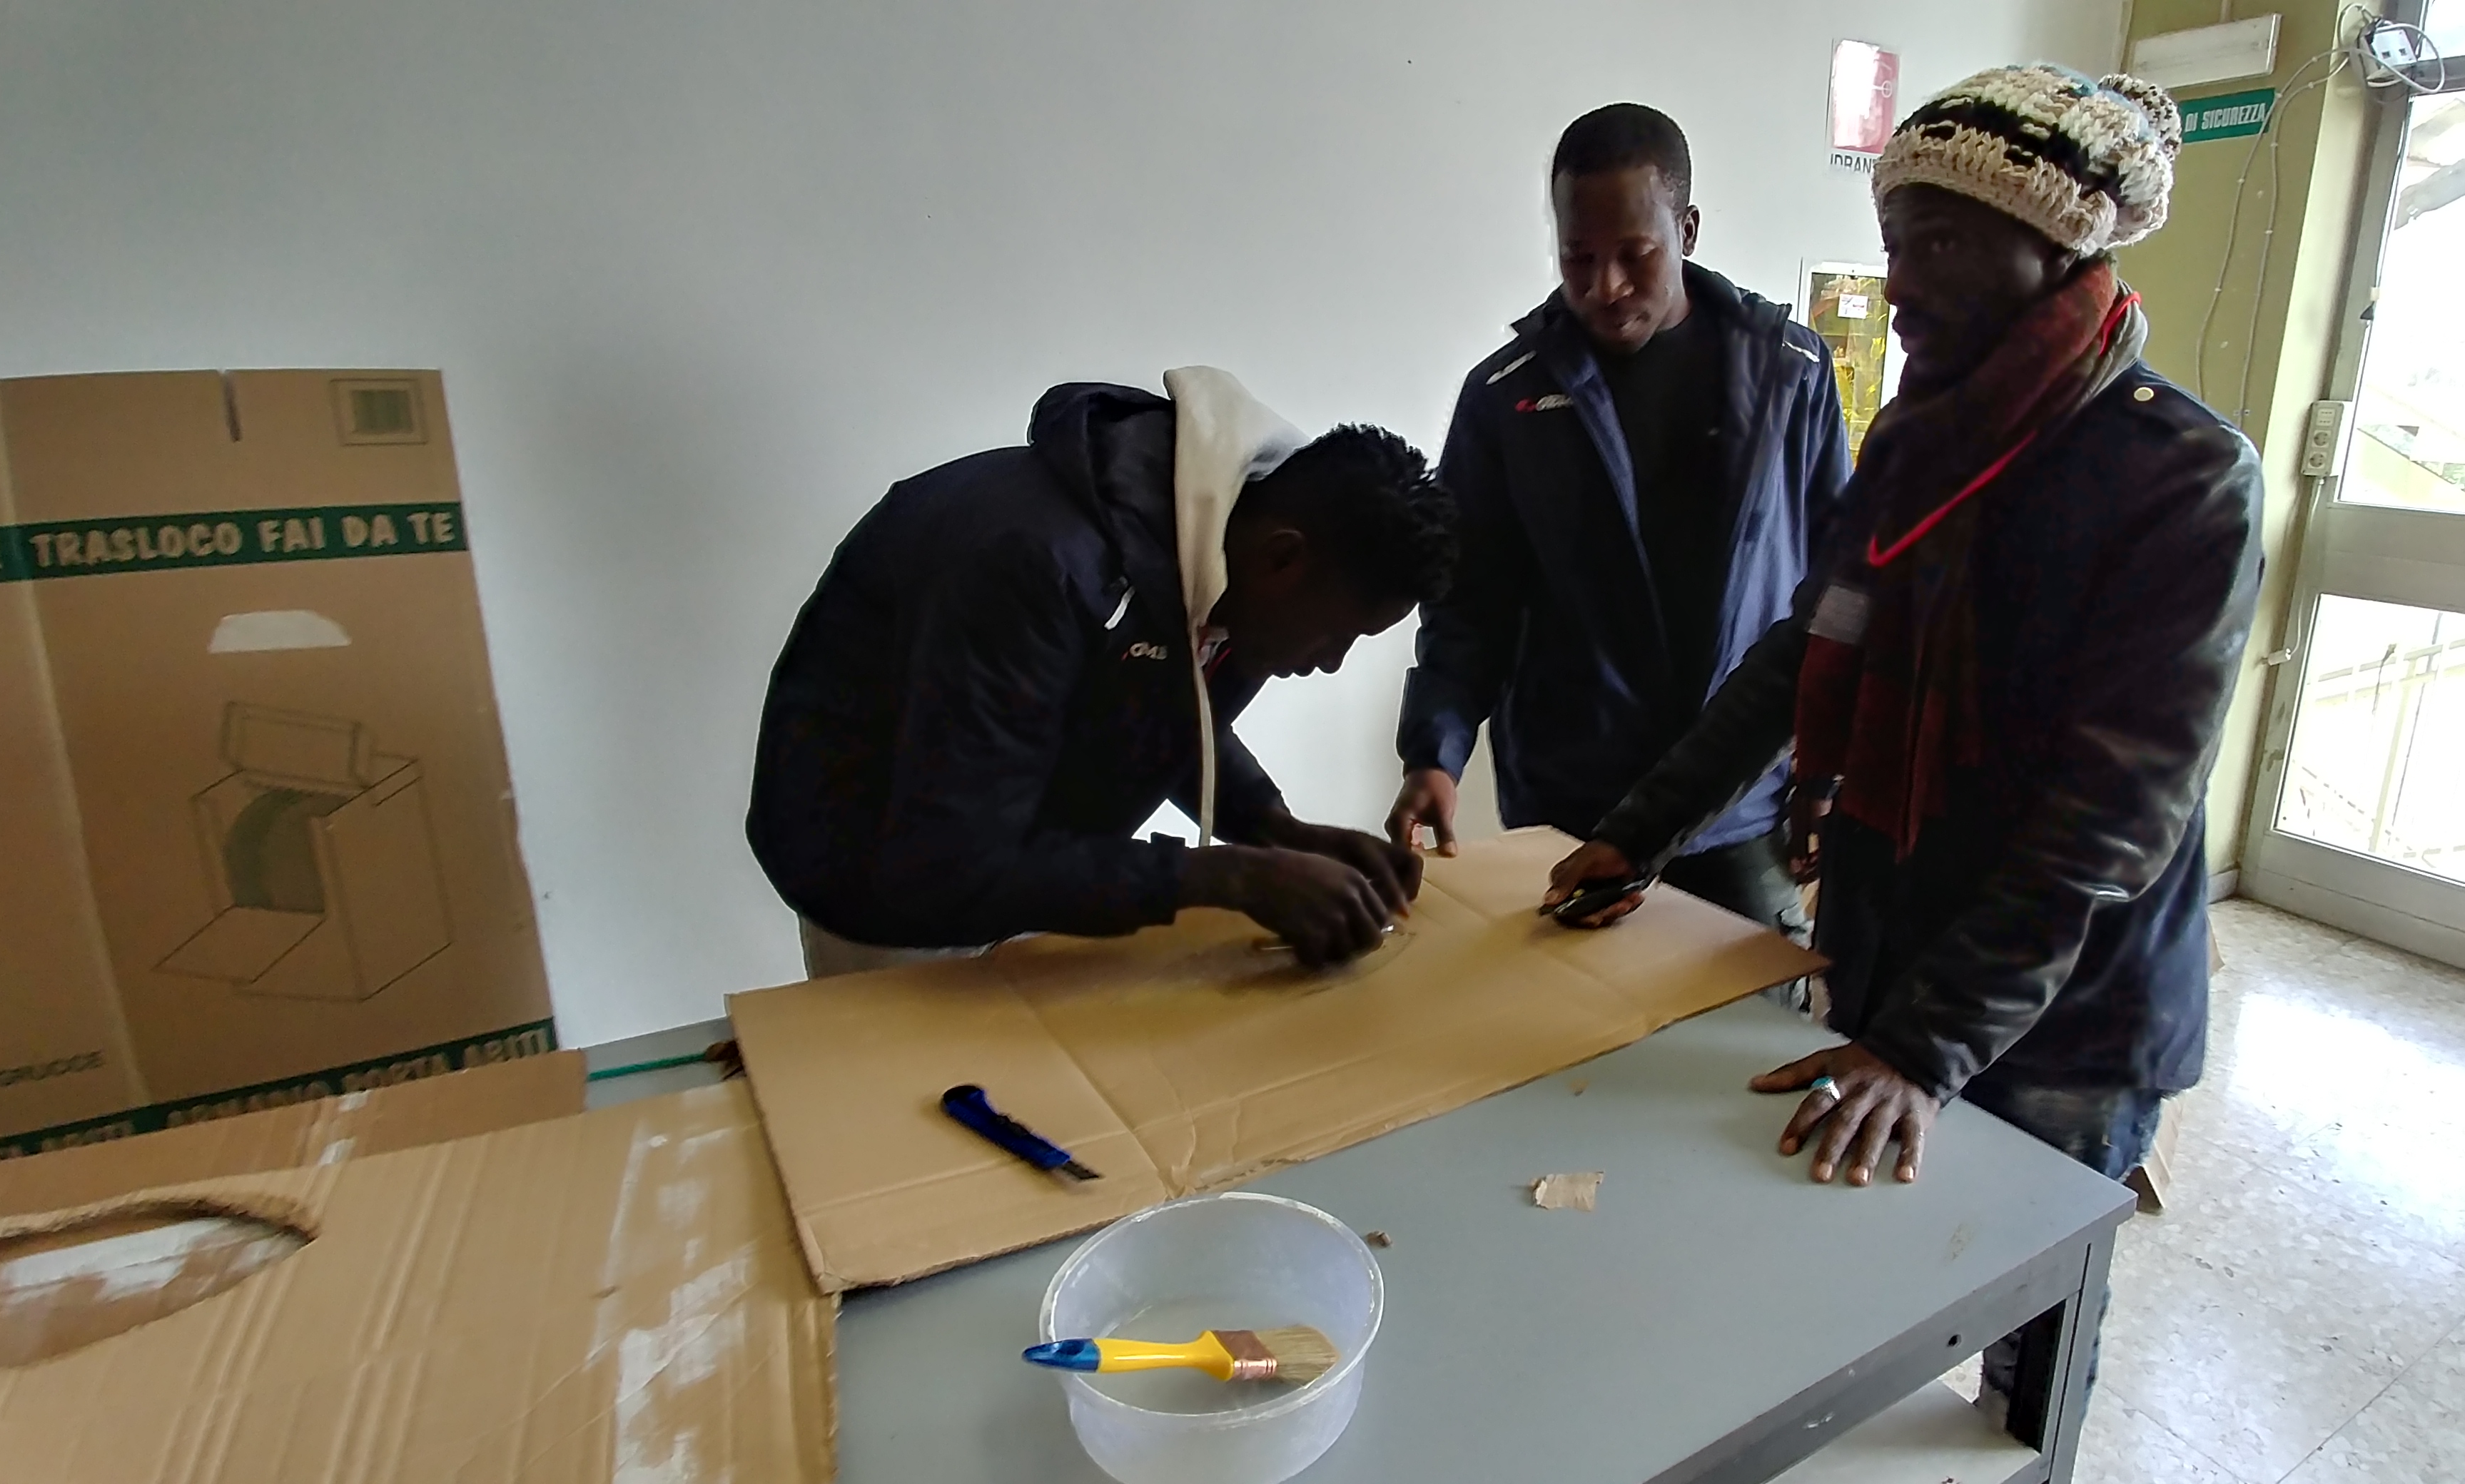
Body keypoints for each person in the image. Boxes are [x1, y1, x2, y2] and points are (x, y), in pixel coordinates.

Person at [1543, 66, 2262, 1442]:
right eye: (1893, 241)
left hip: (2062, 1014)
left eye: (1937, 243)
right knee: (1863, 1276)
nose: (1902, 280)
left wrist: (1925, 1051)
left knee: (2022, 1336)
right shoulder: (1920, 438)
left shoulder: (2181, 478)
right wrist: (1644, 827)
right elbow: (1809, 646)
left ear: (2054, 247)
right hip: (1893, 944)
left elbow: (2110, 818)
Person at [749, 368, 1457, 972]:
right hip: (888, 906)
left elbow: (1160, 714)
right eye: (1337, 635)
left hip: (1022, 878)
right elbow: (946, 865)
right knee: (933, 1092)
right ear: (1283, 557)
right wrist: (1231, 876)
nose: (1329, 663)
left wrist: (1275, 828)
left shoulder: (1221, 557)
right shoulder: (1032, 564)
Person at [1387, 103, 1851, 943]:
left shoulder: (1792, 373)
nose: (1605, 286)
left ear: (1687, 230)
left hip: (1740, 806)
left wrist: (1824, 767)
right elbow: (1468, 604)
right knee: (1566, 1017)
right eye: (1578, 257)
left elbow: (1836, 592)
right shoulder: (1506, 397)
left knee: (1750, 1018)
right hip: (1572, 805)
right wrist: (1433, 751)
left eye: (1635, 256)